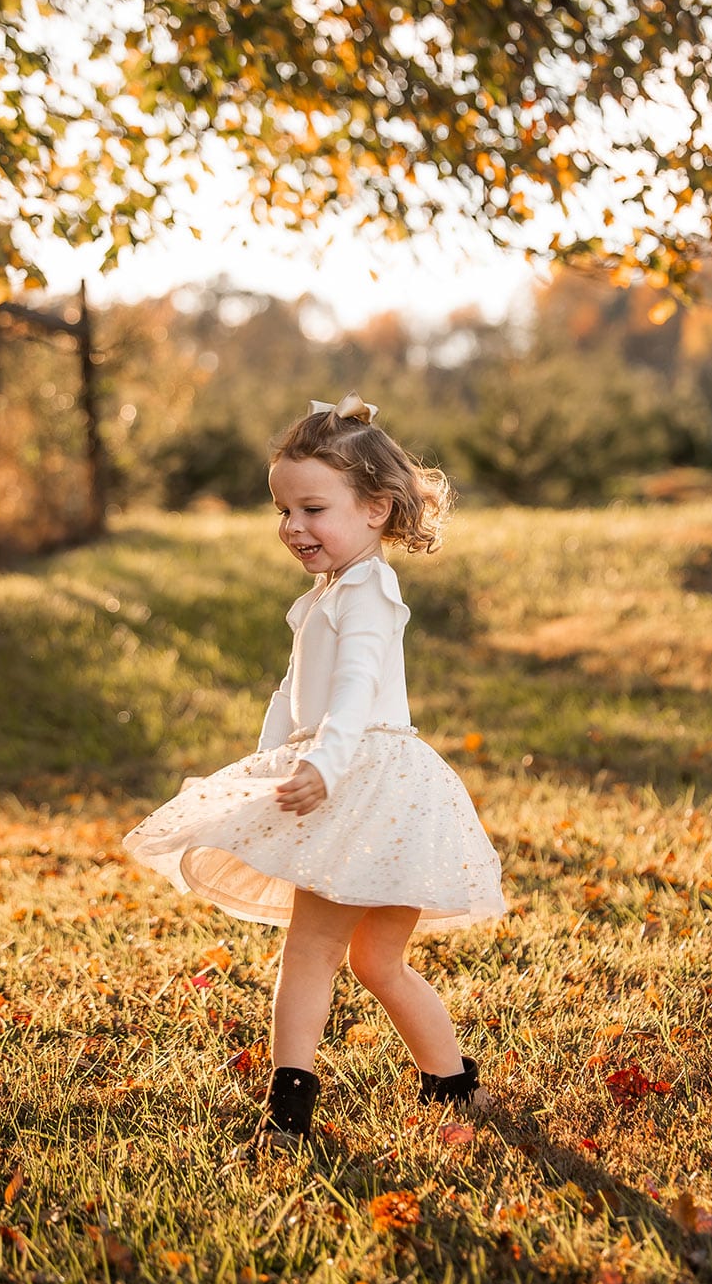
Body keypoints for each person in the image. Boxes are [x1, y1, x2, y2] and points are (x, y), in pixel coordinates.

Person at [122, 392, 507, 1157]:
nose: (294, 527)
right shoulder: (327, 594)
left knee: (315, 953)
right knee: (374, 960)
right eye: (284, 511)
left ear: (375, 508)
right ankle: (454, 1082)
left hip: (367, 781)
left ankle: (289, 1114)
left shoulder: (366, 590)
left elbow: (356, 691)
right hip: (369, 782)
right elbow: (292, 700)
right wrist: (262, 771)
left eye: (312, 509)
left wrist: (323, 766)